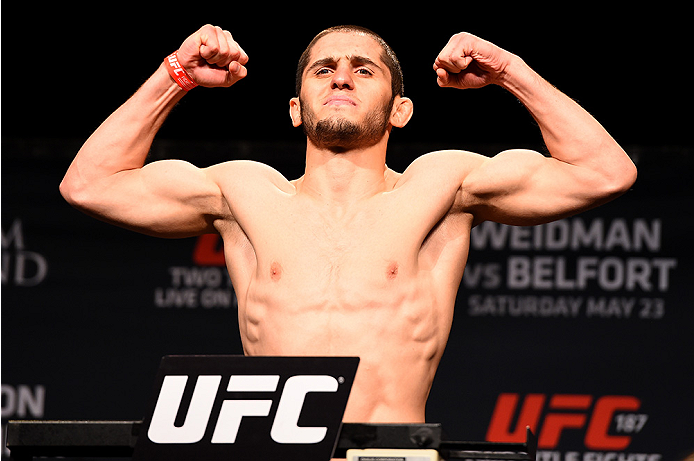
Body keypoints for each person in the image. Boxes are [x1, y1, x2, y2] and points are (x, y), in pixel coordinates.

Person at [60, 24, 637, 424]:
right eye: (323, 70)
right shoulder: (242, 193)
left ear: (400, 109)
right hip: (275, 456)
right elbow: (89, 184)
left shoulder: (441, 187)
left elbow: (604, 172)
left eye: (363, 71)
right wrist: (176, 73)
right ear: (295, 108)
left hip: (395, 455)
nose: (341, 78)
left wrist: (510, 72)